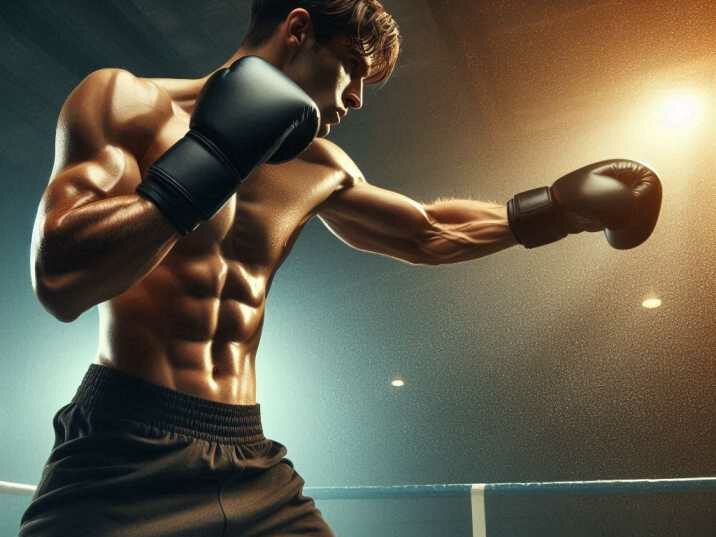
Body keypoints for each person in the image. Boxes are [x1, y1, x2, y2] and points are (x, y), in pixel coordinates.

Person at [20, 1, 661, 535]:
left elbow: (429, 232)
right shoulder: (128, 103)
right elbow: (59, 278)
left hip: (248, 458)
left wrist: (556, 209)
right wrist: (212, 155)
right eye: (351, 70)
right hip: (122, 449)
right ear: (298, 30)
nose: (356, 98)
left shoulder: (319, 163)